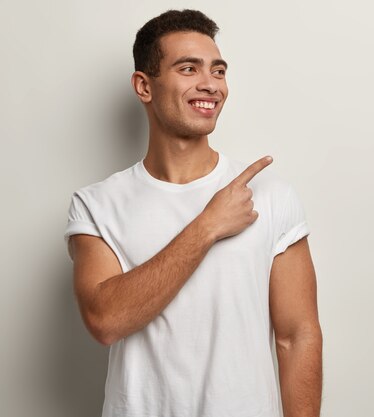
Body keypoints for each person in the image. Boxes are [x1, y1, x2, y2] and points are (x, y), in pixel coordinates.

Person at [63, 9, 322, 417]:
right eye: (189, 68)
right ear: (144, 86)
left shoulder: (270, 195)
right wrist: (208, 226)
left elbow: (298, 336)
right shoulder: (96, 204)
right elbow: (105, 319)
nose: (210, 85)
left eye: (218, 71)